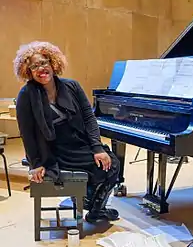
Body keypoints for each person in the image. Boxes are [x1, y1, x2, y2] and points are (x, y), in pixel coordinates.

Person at [14, 41, 120, 223]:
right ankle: (95, 208)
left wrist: (97, 147)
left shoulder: (72, 86)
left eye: (43, 62)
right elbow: (27, 133)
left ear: (53, 63)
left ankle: (94, 207)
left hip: (79, 143)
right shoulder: (26, 94)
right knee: (109, 167)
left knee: (111, 162)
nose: (40, 69)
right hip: (54, 150)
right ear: (28, 72)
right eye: (34, 66)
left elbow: (89, 118)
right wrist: (36, 163)